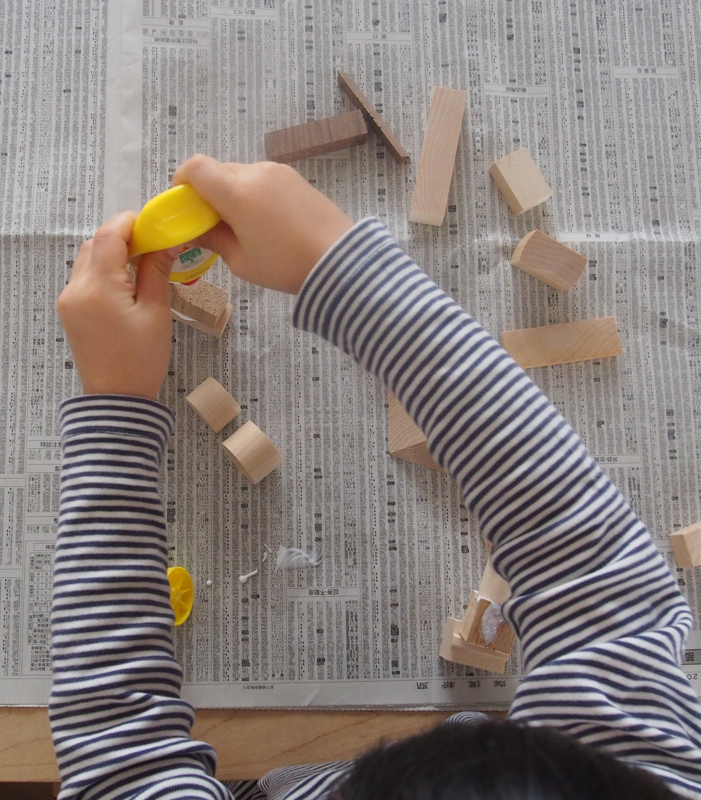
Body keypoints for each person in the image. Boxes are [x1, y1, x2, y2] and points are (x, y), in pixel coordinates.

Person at [51, 155, 701, 799]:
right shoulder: (657, 771)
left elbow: (119, 751)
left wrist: (114, 406)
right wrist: (339, 266)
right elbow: (592, 569)